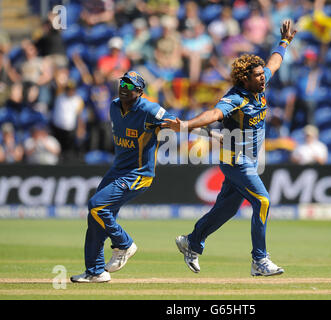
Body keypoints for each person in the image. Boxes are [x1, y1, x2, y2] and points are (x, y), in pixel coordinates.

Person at [162, 20, 297, 276]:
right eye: (257, 76)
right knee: (263, 201)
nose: (263, 78)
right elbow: (213, 113)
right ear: (244, 79)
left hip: (248, 159)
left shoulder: (260, 84)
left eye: (261, 75)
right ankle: (259, 260)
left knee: (227, 209)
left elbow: (274, 63)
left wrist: (285, 42)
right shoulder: (235, 97)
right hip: (235, 159)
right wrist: (186, 124)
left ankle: (192, 241)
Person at [70, 71, 175, 283]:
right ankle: (96, 271)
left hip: (139, 173)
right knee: (95, 217)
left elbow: (178, 123)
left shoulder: (150, 109)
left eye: (129, 86)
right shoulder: (114, 106)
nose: (124, 88)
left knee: (97, 205)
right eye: (122, 84)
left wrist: (211, 133)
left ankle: (124, 243)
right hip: (117, 170)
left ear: (140, 92)